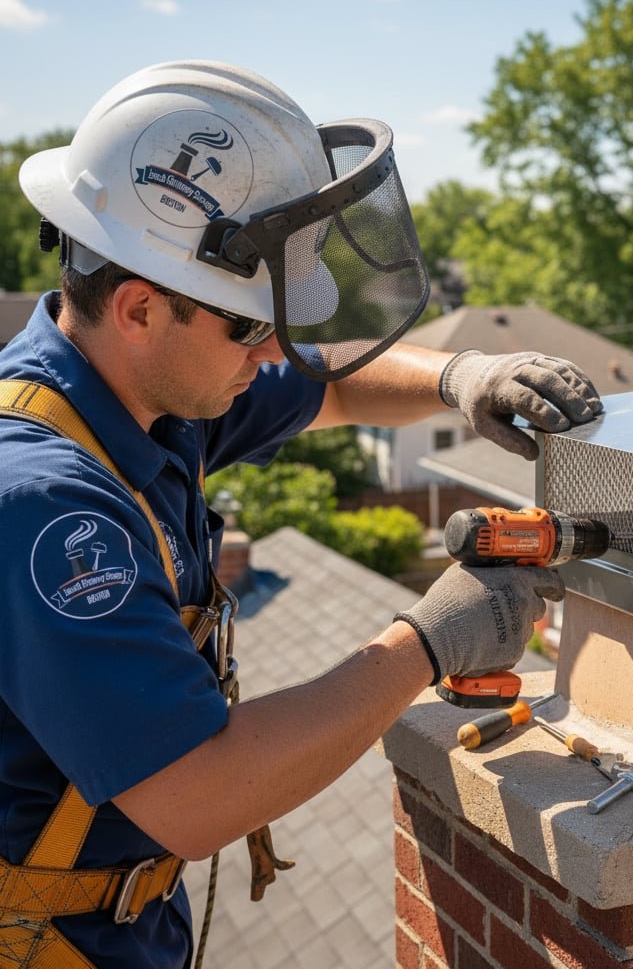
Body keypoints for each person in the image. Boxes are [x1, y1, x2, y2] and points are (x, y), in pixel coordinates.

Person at [0, 60, 602, 969]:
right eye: (252, 326)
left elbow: (334, 393)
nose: (276, 348)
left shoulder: (142, 396)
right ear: (138, 307)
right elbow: (197, 796)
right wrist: (429, 644)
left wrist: (459, 376)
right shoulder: (43, 505)